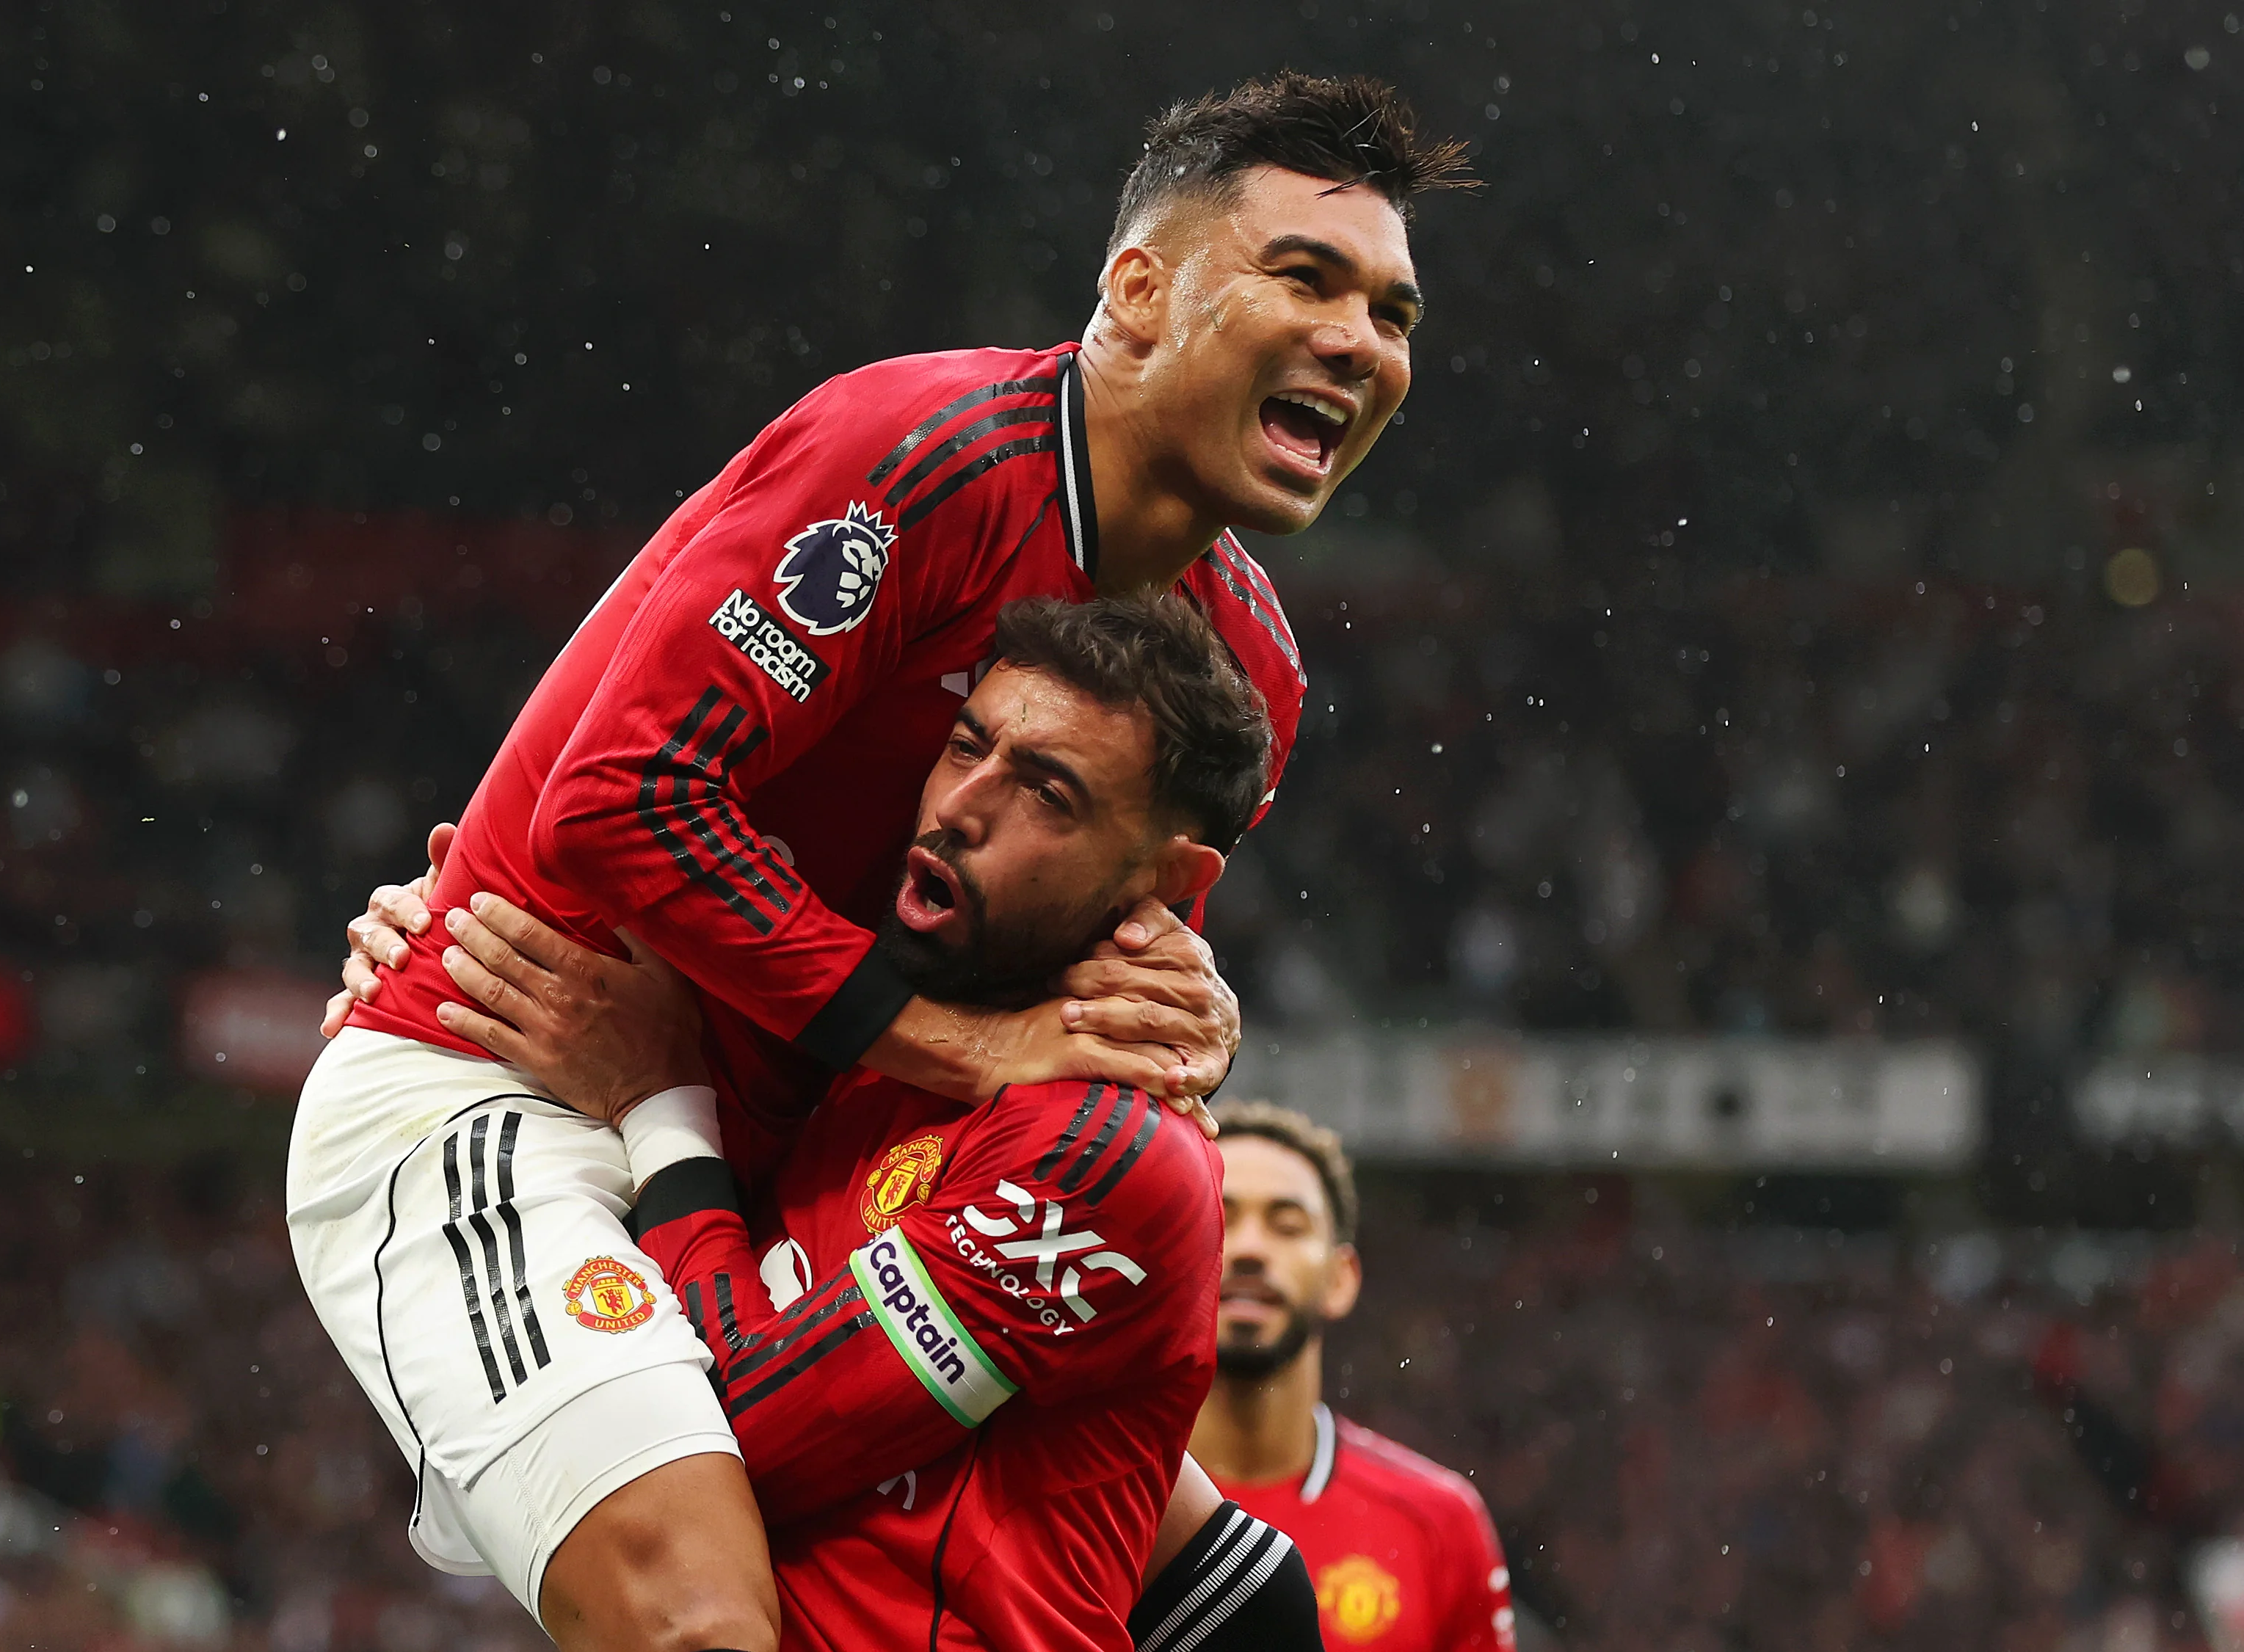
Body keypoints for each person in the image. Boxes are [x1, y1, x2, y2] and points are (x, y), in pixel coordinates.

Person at [291, 74, 1462, 1651]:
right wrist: (953, 1047)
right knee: (707, 1624)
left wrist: (1181, 1013)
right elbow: (619, 804)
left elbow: (1085, 988)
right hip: (526, 1077)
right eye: (1304, 279)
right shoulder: (915, 451)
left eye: (1390, 312)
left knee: (1220, 1582)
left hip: (799, 1143)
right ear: (1135, 292)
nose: (1356, 341)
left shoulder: (1247, 671)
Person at [424, 595, 1322, 1649]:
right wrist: (440, 936)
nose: (958, 806)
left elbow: (730, 1433)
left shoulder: (1107, 1153)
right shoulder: (886, 1035)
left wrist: (658, 1104)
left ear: (1169, 878)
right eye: (965, 746)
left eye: (1048, 792)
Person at [1190, 1103, 1516, 1652]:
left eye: (1287, 1224)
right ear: (1171, 1252)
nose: (1249, 1247)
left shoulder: (1439, 1521)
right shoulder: (1082, 1500)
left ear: (1341, 1279)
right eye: (1219, 1217)